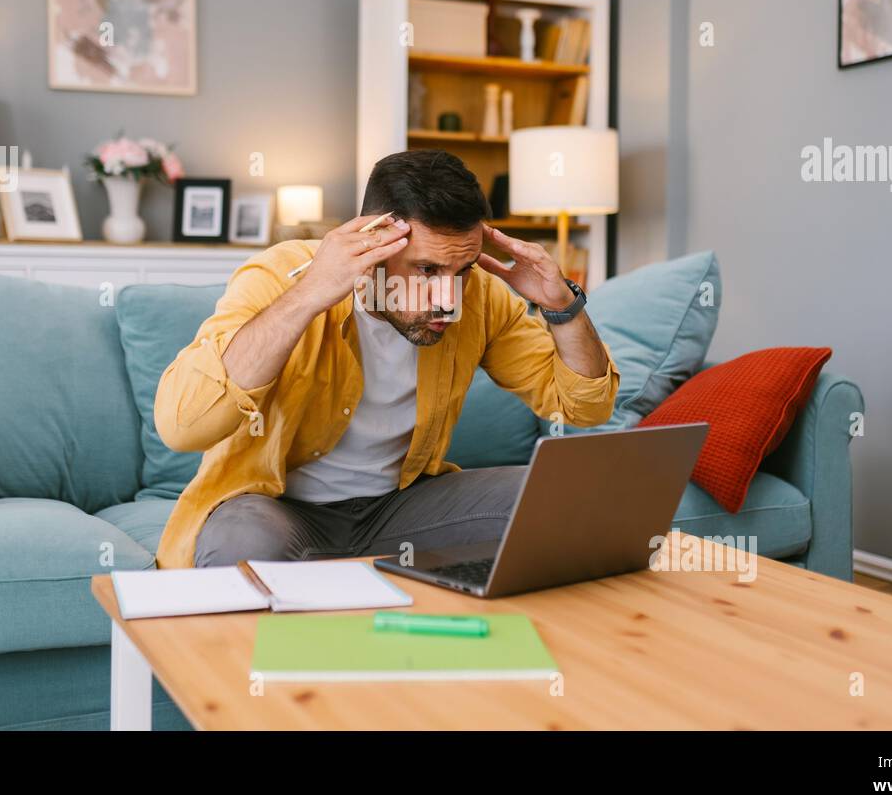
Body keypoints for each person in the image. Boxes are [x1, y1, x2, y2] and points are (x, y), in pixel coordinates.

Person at [154, 149, 619, 569]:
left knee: (560, 499)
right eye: (426, 270)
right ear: (373, 243)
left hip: (398, 510)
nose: (448, 298)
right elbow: (183, 427)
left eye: (463, 269)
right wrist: (309, 295)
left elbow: (584, 407)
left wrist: (563, 306)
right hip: (275, 509)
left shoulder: (479, 297)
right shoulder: (282, 276)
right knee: (242, 547)